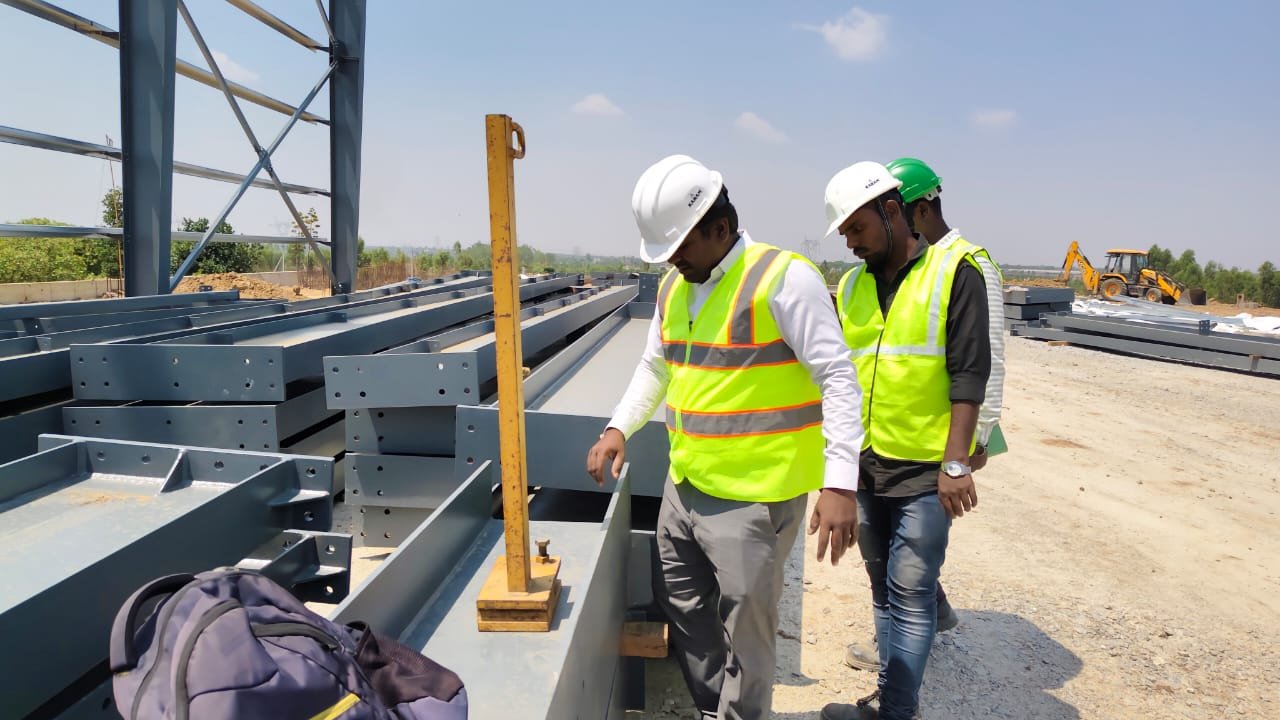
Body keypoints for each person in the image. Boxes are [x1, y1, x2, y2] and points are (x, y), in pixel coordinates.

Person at [586, 154, 864, 720]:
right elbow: (655, 368)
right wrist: (620, 425)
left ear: (720, 227)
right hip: (685, 484)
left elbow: (838, 378)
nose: (673, 261)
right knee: (683, 604)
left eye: (679, 247)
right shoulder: (674, 288)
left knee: (749, 631)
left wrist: (840, 484)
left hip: (755, 499)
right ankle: (718, 708)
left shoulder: (784, 280)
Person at [818, 161, 990, 720]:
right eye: (844, 234)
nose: (850, 243)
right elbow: (837, 376)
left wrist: (958, 461)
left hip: (923, 467)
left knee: (912, 589)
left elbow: (970, 374)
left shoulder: (954, 273)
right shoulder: (851, 285)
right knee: (879, 587)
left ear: (892, 212)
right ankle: (891, 702)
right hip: (865, 466)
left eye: (857, 229)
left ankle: (896, 711)